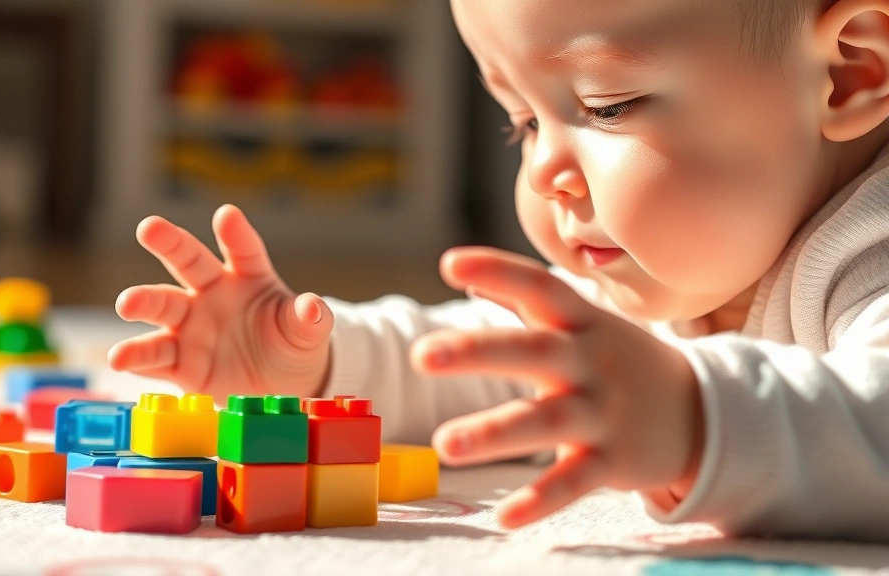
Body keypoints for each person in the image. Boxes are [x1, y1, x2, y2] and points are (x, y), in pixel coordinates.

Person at [107, 0, 889, 541]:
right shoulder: (669, 258)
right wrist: (319, 361)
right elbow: (492, 361)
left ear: (849, 73)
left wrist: (695, 421)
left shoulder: (870, 250)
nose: (547, 169)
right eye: (520, 121)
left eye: (608, 105)